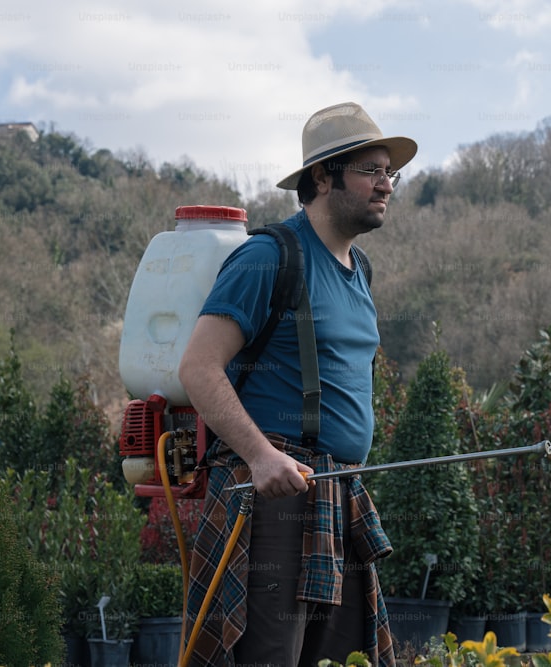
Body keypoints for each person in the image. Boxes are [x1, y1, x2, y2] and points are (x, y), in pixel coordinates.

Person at [179, 102, 417, 667]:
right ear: (321, 177)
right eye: (370, 170)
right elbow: (198, 368)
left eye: (391, 172)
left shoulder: (361, 269)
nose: (386, 184)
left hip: (338, 495)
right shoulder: (268, 257)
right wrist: (260, 458)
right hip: (270, 499)